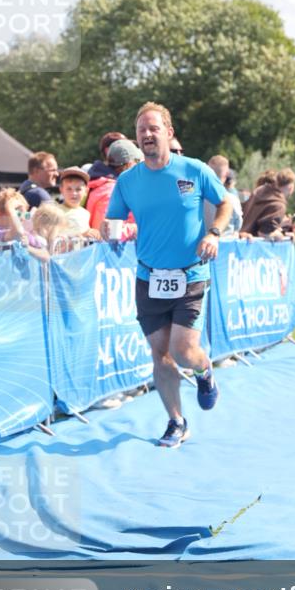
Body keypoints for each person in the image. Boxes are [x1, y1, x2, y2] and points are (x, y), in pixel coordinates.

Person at [102, 101, 232, 449]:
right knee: (160, 353)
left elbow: (225, 204)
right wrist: (107, 229)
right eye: (141, 129)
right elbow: (113, 221)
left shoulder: (194, 170)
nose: (146, 134)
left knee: (184, 349)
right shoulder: (128, 181)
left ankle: (204, 372)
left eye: (153, 128)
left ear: (168, 133)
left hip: (190, 274)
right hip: (149, 277)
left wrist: (214, 233)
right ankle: (176, 421)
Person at [86, 139, 142, 233]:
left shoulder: (101, 184)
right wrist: (138, 228)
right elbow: (108, 232)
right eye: (136, 161)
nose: (139, 165)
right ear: (129, 164)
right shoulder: (110, 191)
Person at [240, 168, 295, 239]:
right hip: (255, 246)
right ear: (291, 187)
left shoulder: (259, 191)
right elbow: (264, 233)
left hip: (242, 241)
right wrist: (281, 237)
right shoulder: (278, 205)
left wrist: (278, 228)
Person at [58, 167, 101, 240]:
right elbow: (54, 239)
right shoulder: (55, 211)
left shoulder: (85, 213)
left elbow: (85, 232)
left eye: (78, 189)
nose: (74, 193)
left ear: (86, 191)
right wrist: (82, 235)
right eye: (69, 189)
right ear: (61, 190)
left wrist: (93, 233)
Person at [205, 155, 243, 237]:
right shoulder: (233, 199)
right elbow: (238, 225)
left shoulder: (197, 199)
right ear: (227, 174)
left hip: (202, 244)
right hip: (227, 244)